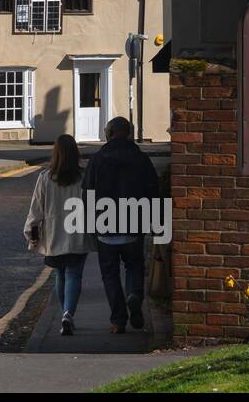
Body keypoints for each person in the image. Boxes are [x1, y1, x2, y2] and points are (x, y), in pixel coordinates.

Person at [82, 116, 160, 334]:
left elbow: (87, 192)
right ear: (129, 132)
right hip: (134, 224)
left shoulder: (97, 159)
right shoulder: (141, 159)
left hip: (105, 226)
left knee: (110, 274)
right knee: (134, 266)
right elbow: (153, 190)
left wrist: (89, 224)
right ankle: (134, 293)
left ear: (109, 133)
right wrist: (156, 221)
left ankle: (118, 320)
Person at [23, 133, 93, 335]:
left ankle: (64, 313)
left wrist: (31, 232)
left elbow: (36, 209)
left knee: (60, 274)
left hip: (54, 235)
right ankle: (68, 314)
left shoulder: (45, 177)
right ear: (75, 152)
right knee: (74, 274)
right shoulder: (84, 177)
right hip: (78, 232)